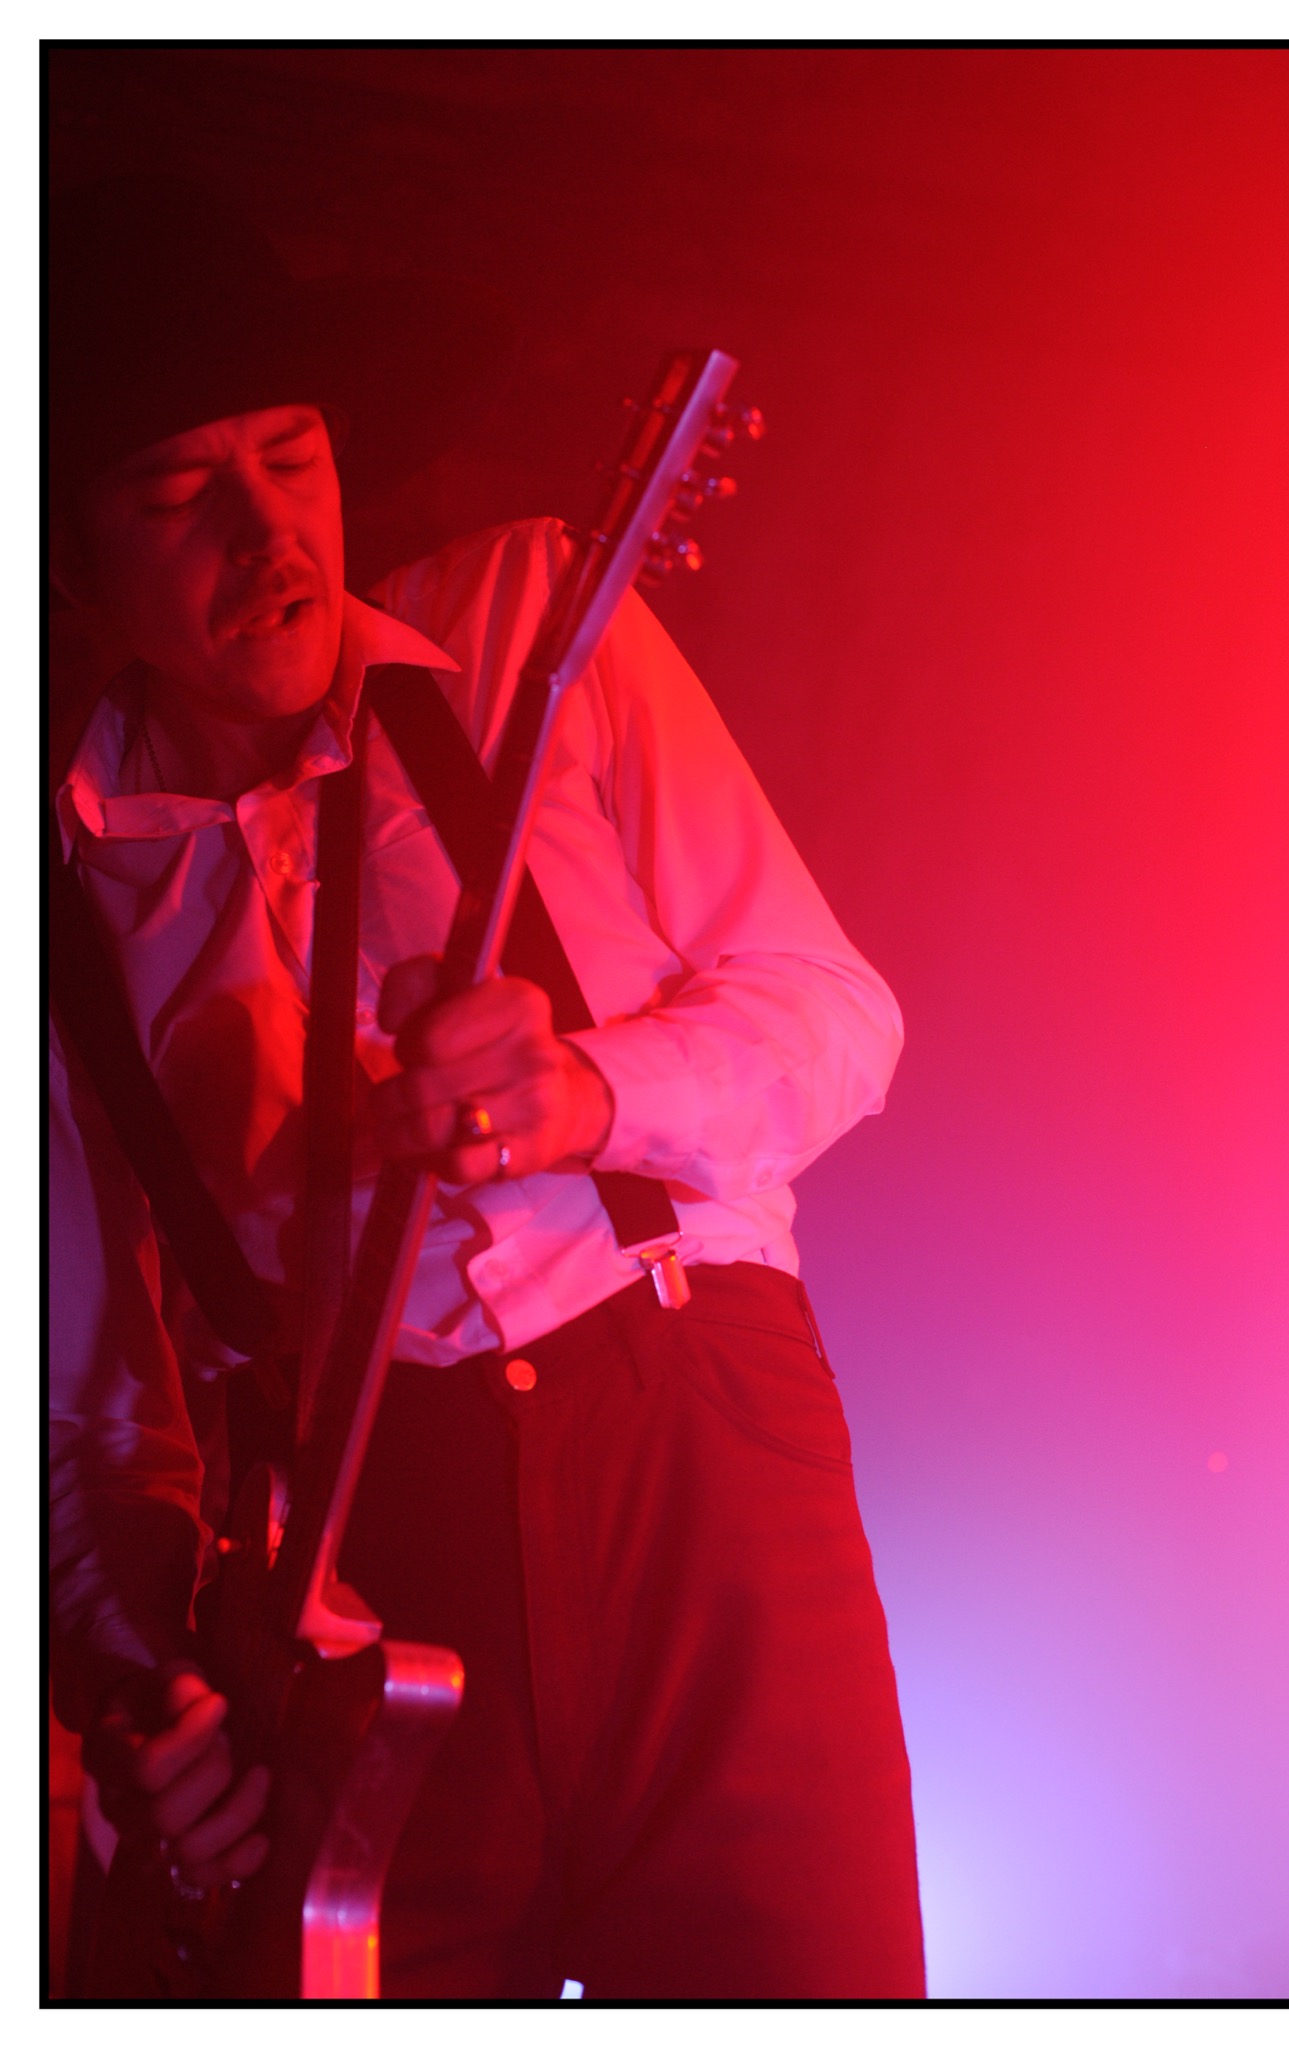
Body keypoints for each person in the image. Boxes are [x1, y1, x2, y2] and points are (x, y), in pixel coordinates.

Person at [48, 176, 925, 2001]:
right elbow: (94, 1417)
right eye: (176, 495)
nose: (267, 532)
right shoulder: (60, 899)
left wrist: (583, 1095)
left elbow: (837, 1015)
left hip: (695, 1448)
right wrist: (145, 1683)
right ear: (73, 561)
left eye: (294, 457)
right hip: (360, 1564)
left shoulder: (531, 623)